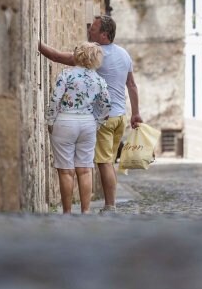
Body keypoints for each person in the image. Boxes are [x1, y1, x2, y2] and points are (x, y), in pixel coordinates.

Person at [39, 15, 142, 214]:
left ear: (104, 34)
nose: (89, 31)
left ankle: (110, 205)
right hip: (119, 116)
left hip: (103, 119)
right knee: (106, 161)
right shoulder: (124, 54)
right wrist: (135, 113)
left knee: (103, 162)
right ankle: (93, 209)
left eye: (93, 29)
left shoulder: (95, 55)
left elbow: (58, 57)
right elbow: (132, 85)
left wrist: (37, 43)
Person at [46, 41, 111, 215]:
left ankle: (67, 212)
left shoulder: (66, 75)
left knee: (66, 171)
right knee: (85, 169)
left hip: (65, 122)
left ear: (78, 54)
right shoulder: (99, 80)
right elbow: (106, 106)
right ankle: (86, 211)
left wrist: (50, 120)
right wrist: (97, 123)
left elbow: (55, 99)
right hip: (87, 124)